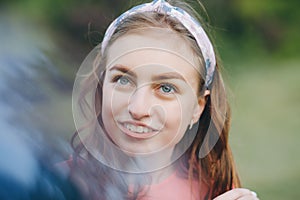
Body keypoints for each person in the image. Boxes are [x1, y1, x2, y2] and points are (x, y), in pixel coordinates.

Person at [70, 0, 259, 199]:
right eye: (123, 80)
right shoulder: (58, 184)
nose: (138, 108)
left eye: (166, 88)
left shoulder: (215, 189)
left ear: (197, 108)